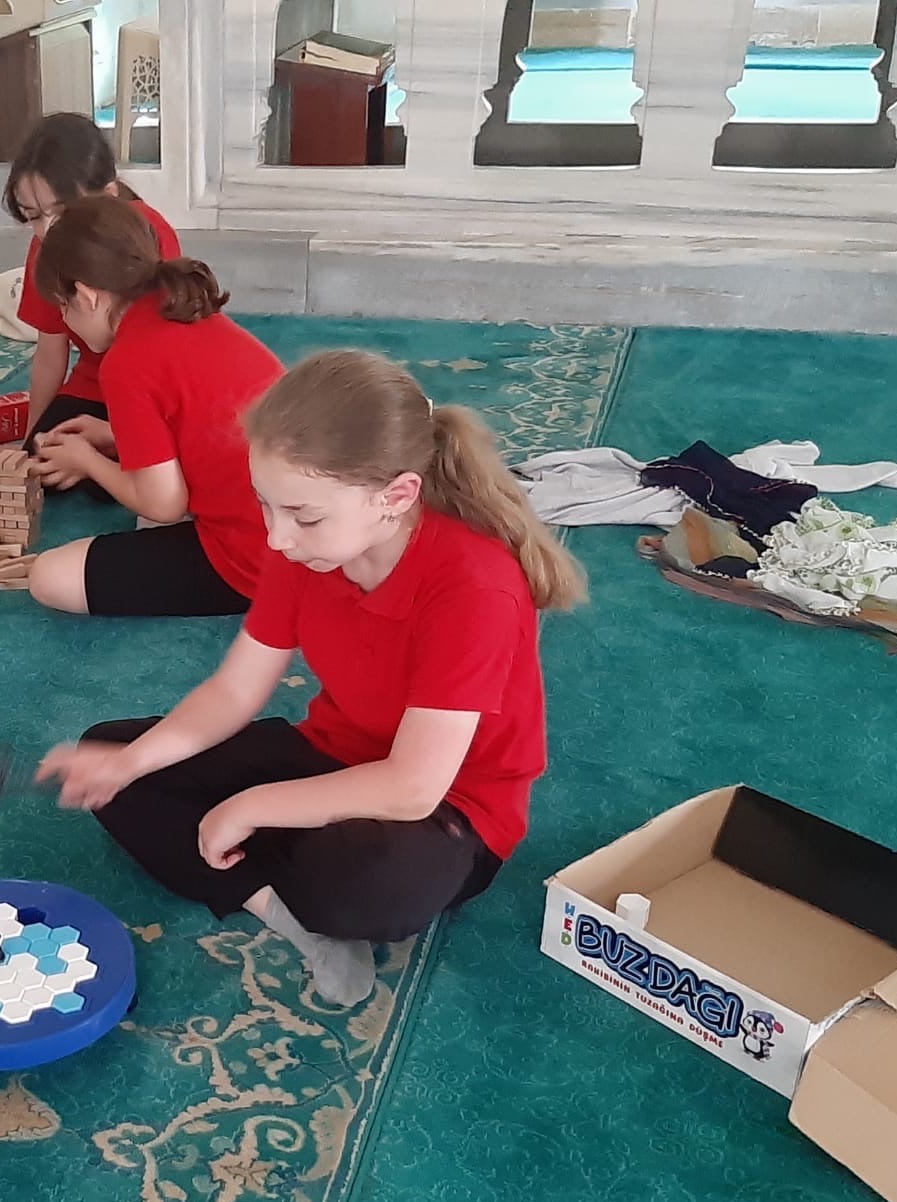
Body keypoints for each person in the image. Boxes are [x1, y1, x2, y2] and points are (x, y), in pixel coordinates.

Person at [38, 351, 587, 1005]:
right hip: (334, 752)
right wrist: (130, 764)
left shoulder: (474, 586)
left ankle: (269, 864)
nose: (276, 538)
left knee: (367, 885)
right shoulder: (304, 549)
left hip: (450, 807)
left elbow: (412, 787)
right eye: (265, 506)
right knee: (114, 757)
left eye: (304, 515)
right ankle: (279, 908)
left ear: (396, 497)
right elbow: (234, 691)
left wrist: (245, 807)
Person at [22, 196, 281, 617]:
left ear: (87, 295)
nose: (64, 321)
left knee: (48, 577)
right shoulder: (182, 306)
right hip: (298, 526)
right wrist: (112, 436)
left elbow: (163, 504)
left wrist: (88, 460)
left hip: (257, 560)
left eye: (63, 306)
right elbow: (201, 421)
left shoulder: (126, 362)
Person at [3, 113, 182, 461]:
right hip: (94, 389)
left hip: (155, 394)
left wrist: (100, 454)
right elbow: (50, 354)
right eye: (33, 215)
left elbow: (171, 357)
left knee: (146, 467)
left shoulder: (149, 235)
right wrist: (31, 442)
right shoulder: (45, 249)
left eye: (64, 210)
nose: (49, 230)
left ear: (110, 196)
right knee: (46, 462)